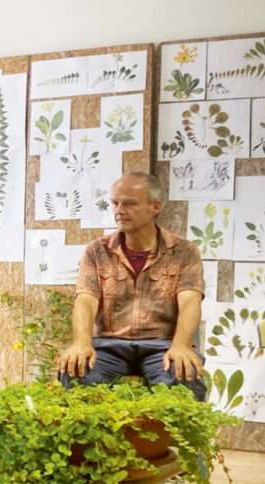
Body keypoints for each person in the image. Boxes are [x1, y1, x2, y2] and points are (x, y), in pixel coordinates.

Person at [57, 172, 206, 401]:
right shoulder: (96, 251)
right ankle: (93, 437)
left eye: (129, 203)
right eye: (115, 203)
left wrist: (181, 345)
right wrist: (81, 343)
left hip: (162, 345)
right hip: (109, 344)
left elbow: (190, 302)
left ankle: (165, 438)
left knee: (183, 379)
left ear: (155, 206)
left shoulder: (184, 251)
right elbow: (85, 301)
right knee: (77, 373)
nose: (119, 210)